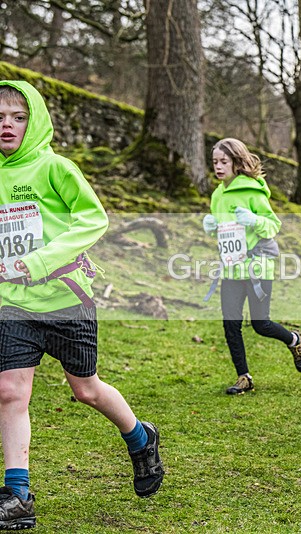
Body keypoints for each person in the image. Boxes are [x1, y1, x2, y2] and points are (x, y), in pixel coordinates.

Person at [0, 80, 164, 529]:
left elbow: (93, 218)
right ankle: (18, 494)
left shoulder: (56, 168)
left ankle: (140, 437)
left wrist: (34, 262)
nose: (7, 125)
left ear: (34, 122)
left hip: (65, 299)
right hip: (12, 303)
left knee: (85, 389)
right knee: (9, 390)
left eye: (18, 117)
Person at [202, 138, 301, 394]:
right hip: (230, 268)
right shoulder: (217, 193)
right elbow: (225, 233)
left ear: (236, 162)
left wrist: (253, 220)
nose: (218, 167)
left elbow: (273, 225)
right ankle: (244, 377)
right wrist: (210, 227)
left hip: (257, 266)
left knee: (261, 324)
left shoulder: (252, 190)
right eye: (215, 161)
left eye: (223, 162)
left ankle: (294, 340)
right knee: (231, 324)